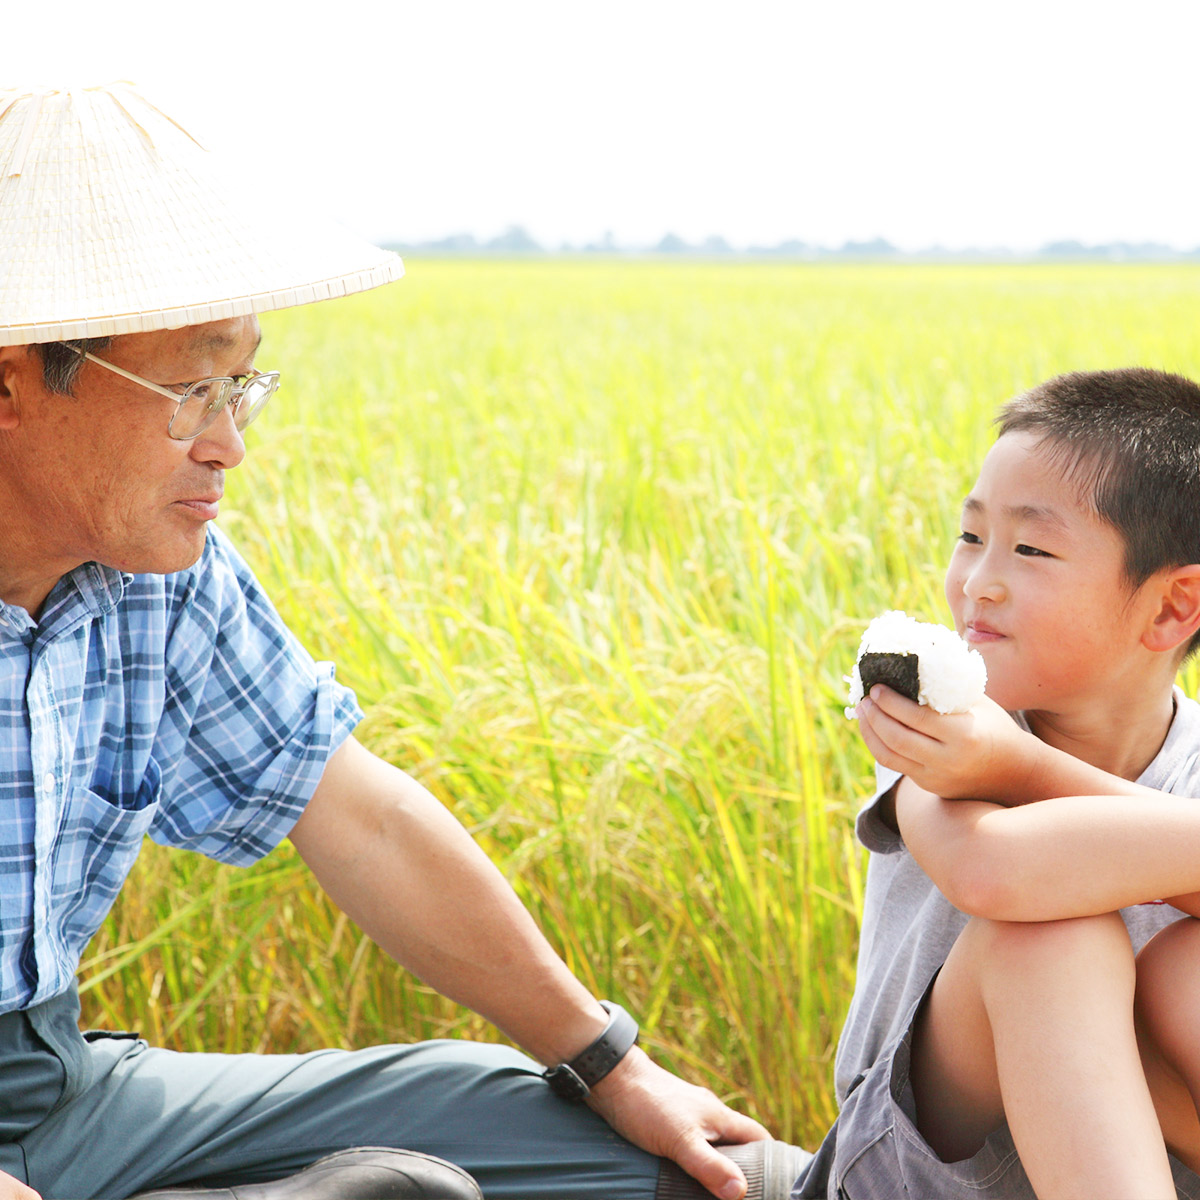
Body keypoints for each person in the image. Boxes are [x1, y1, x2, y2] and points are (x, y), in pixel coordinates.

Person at [0, 83, 809, 1200]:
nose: (229, 444)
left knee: (626, 1149)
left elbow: (358, 816)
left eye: (241, 384)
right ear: (11, 381)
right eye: (190, 390)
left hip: (69, 1093)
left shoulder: (152, 582)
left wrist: (609, 1062)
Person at [799, 366, 1200, 1199]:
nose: (978, 580)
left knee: (1187, 968)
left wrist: (1020, 772)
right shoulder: (943, 723)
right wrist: (1006, 761)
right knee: (1051, 940)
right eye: (969, 536)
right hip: (913, 1168)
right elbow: (997, 872)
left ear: (1170, 609)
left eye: (1031, 548)